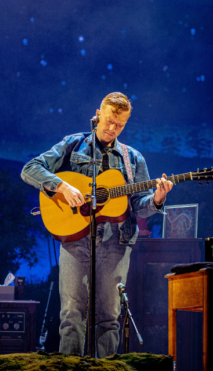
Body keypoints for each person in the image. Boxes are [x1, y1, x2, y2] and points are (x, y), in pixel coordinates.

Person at [21, 92, 173, 357]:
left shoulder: (132, 158)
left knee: (109, 315)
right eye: (109, 121)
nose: (113, 129)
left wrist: (157, 199)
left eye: (120, 125)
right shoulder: (73, 144)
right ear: (98, 114)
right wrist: (61, 185)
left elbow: (139, 206)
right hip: (75, 238)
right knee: (71, 312)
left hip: (116, 240)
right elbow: (30, 168)